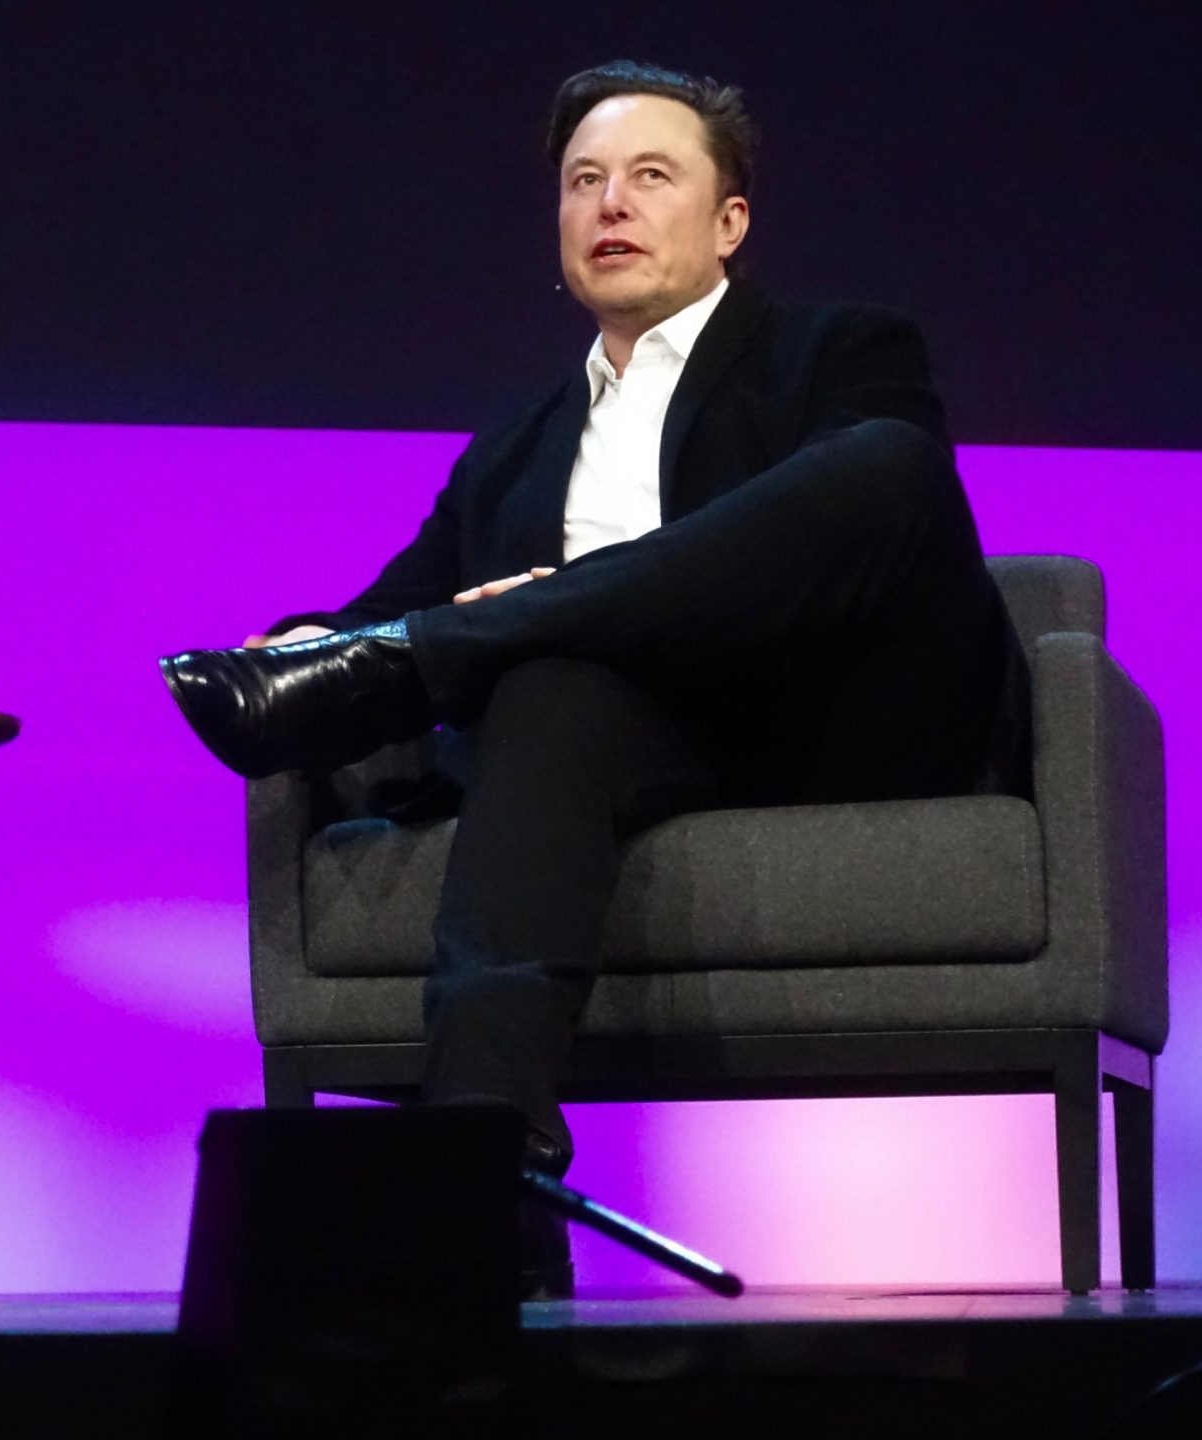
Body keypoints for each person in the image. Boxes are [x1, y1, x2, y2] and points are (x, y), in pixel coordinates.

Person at [160, 60, 1027, 1299]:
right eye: (582, 182)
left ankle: (482, 646)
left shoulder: (837, 351)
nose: (609, 203)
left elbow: (868, 543)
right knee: (547, 683)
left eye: (649, 176)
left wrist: (458, 638)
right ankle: (486, 1172)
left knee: (887, 462)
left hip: (840, 717)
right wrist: (291, 645)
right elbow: (382, 613)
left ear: (728, 221)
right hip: (638, 743)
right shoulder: (514, 446)